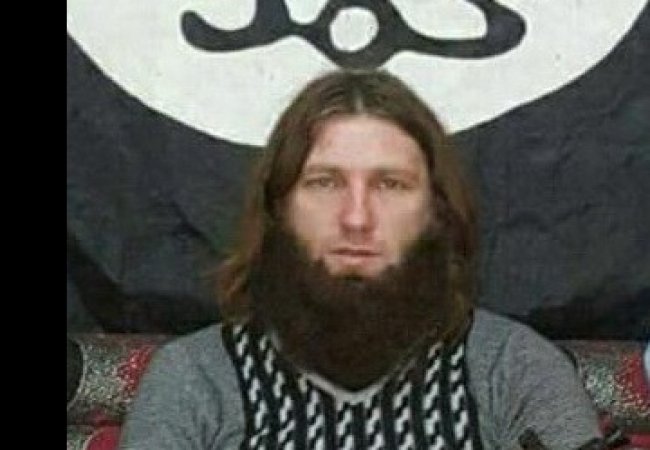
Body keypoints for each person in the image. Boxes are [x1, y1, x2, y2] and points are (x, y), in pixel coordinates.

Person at [118, 70, 602, 449]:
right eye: (324, 182)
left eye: (390, 184)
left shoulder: (511, 369)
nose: (356, 217)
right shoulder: (198, 377)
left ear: (436, 212)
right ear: (278, 207)